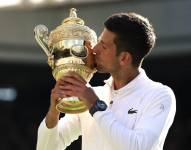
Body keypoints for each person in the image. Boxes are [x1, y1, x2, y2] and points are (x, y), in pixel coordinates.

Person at [36, 12, 176, 150]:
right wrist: (54, 111)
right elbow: (46, 148)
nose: (94, 49)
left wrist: (95, 104)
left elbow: (137, 147)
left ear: (124, 58)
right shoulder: (91, 95)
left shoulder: (159, 95)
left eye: (103, 46)